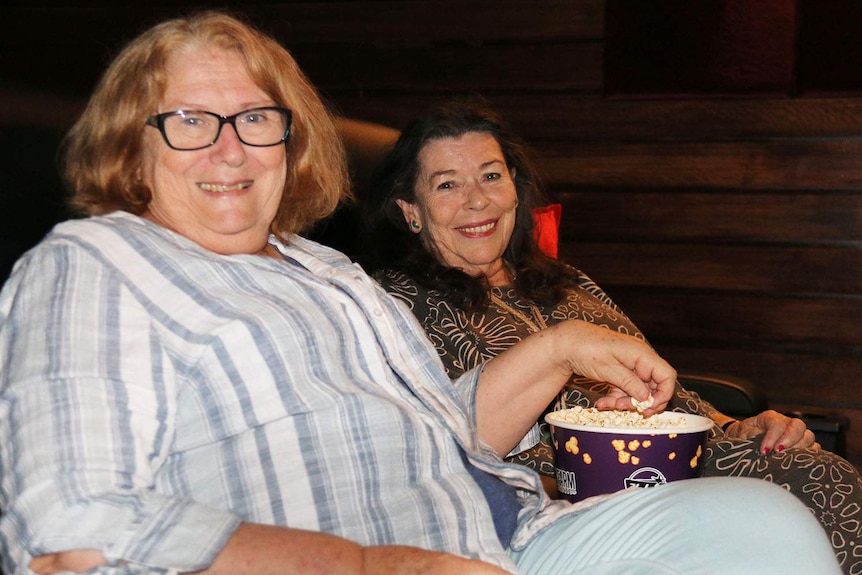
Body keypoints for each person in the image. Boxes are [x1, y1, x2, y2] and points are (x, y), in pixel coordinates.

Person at [0, 11, 841, 575]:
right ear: (129, 144)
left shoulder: (322, 269)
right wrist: (377, 565)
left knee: (769, 525)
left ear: (291, 140)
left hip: (506, 539)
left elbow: (447, 432)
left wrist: (562, 346)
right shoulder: (98, 263)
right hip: (383, 561)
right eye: (188, 120)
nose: (230, 149)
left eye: (258, 118)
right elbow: (68, 525)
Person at [356, 98, 862, 573]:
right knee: (821, 483)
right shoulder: (393, 305)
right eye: (447, 185)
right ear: (410, 210)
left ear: (515, 187)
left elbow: (670, 396)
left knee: (815, 465)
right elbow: (432, 450)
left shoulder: (566, 282)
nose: (478, 201)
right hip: (579, 489)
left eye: (491, 176)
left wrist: (741, 427)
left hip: (687, 456)